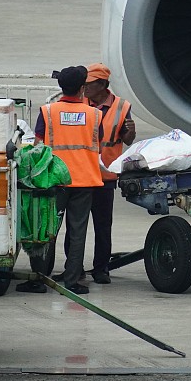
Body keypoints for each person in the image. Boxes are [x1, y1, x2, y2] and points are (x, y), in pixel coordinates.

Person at [16, 65, 103, 295]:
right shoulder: (94, 114)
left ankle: (39, 279)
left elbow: (37, 146)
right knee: (78, 232)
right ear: (83, 88)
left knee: (44, 229)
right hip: (84, 180)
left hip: (52, 181)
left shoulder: (48, 112)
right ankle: (73, 281)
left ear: (60, 86)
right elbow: (99, 142)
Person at [62, 63, 135, 284]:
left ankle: (101, 269)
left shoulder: (122, 107)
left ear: (103, 85)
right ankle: (74, 268)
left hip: (105, 177)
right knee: (75, 226)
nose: (84, 87)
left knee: (102, 227)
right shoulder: (79, 103)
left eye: (89, 84)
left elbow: (127, 139)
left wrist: (130, 133)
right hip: (81, 175)